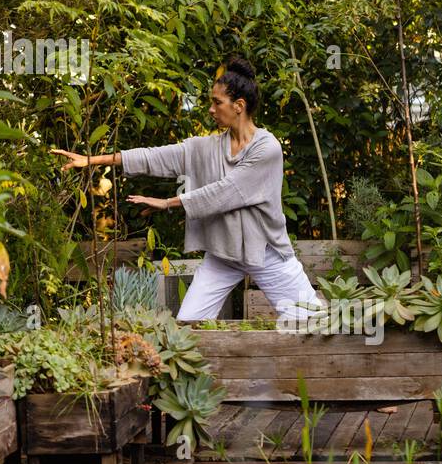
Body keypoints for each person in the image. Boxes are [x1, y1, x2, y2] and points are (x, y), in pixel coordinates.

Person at [52, 56, 324, 322]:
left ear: (239, 105)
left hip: (266, 252)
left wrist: (169, 202)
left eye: (217, 103)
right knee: (189, 327)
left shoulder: (267, 149)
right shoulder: (206, 148)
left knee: (315, 323)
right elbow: (155, 156)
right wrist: (92, 160)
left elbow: (226, 191)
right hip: (224, 255)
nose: (211, 109)